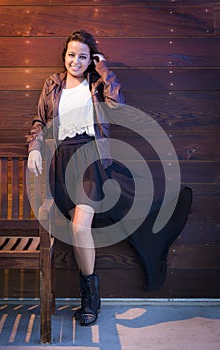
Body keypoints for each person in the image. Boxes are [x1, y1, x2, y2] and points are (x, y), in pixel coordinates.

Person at [27, 29, 192, 326]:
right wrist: (34, 149)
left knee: (79, 229)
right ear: (64, 56)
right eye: (71, 55)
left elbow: (118, 110)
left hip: (89, 157)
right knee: (72, 229)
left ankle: (89, 297)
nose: (75, 61)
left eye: (82, 56)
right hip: (61, 162)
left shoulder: (96, 83)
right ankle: (90, 292)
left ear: (91, 60)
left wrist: (106, 73)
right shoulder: (52, 85)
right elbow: (40, 121)